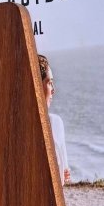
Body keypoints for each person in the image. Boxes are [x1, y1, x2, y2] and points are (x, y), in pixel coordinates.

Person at [38, 54, 71, 185]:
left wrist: (64, 171)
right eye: (49, 83)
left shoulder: (56, 123)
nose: (53, 90)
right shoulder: (54, 123)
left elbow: (64, 174)